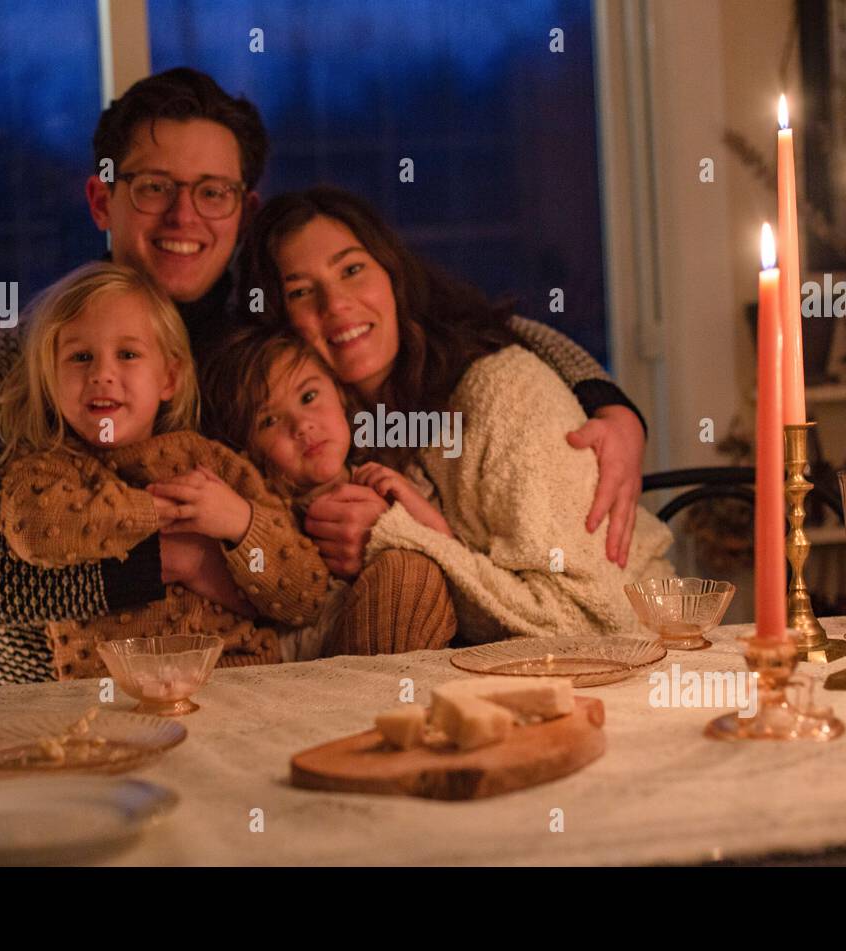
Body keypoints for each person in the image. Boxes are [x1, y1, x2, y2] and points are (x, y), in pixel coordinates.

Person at [0, 68, 653, 686]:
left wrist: (607, 399)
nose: (183, 215)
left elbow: (437, 321)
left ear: (243, 208)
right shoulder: (15, 360)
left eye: (212, 191)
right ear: (103, 197)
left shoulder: (253, 343)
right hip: (38, 708)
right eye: (153, 186)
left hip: (227, 696)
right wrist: (161, 564)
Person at [236, 186, 675, 642]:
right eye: (301, 292)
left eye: (352, 269)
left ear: (393, 273)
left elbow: (590, 625)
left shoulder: (504, 394)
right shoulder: (324, 435)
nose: (336, 305)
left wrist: (396, 537)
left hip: (636, 659)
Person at [0, 261, 337, 675]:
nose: (102, 374)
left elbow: (306, 594)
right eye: (80, 357)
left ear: (169, 378)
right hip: (110, 699)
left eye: (128, 354)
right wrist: (159, 511)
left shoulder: (215, 467)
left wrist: (240, 522)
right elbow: (34, 529)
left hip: (241, 679)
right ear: (48, 382)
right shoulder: (48, 471)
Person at [201, 326, 458, 658]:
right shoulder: (269, 517)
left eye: (309, 397)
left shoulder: (390, 479)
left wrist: (412, 505)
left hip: (414, 652)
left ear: (340, 395)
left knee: (411, 571)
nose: (302, 426)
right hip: (319, 662)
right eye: (269, 421)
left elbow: (453, 568)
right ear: (248, 450)